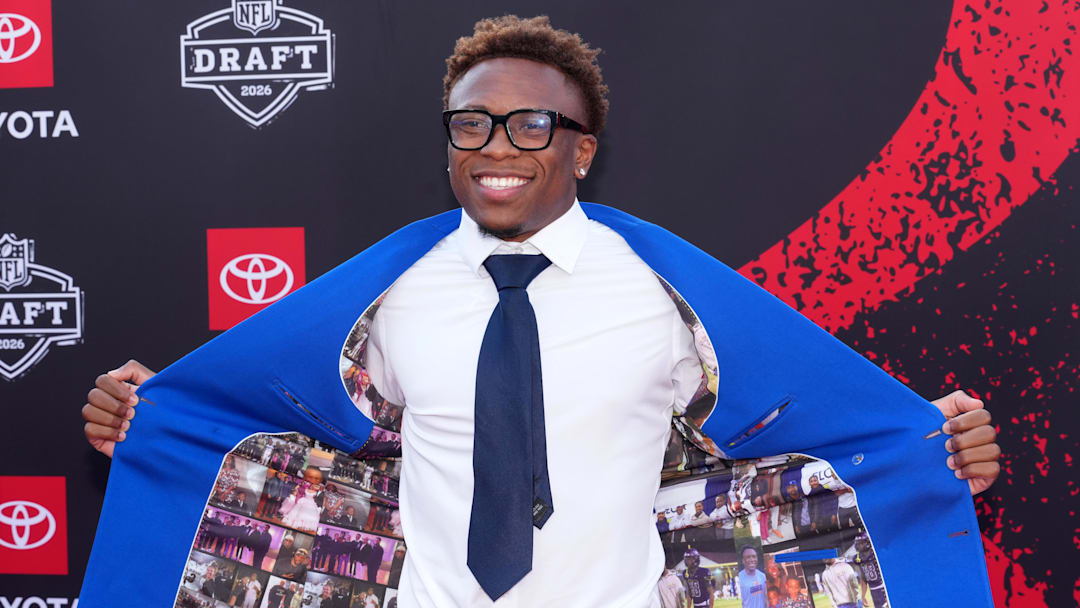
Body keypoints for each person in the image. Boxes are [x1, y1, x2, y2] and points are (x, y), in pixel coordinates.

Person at [80, 15, 1002, 608]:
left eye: (532, 125)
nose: (498, 146)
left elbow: (810, 432)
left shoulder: (666, 298)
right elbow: (272, 426)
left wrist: (936, 445)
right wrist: (150, 415)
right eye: (472, 123)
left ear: (583, 149)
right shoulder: (388, 298)